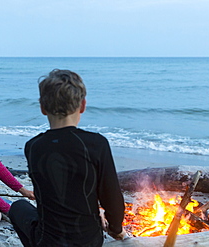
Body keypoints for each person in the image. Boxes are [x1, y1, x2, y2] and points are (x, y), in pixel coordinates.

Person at [8, 69, 126, 247]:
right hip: (89, 241)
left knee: (18, 207)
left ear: (42, 108)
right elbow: (112, 198)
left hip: (47, 241)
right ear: (83, 105)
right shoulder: (96, 144)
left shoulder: (33, 146)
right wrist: (116, 229)